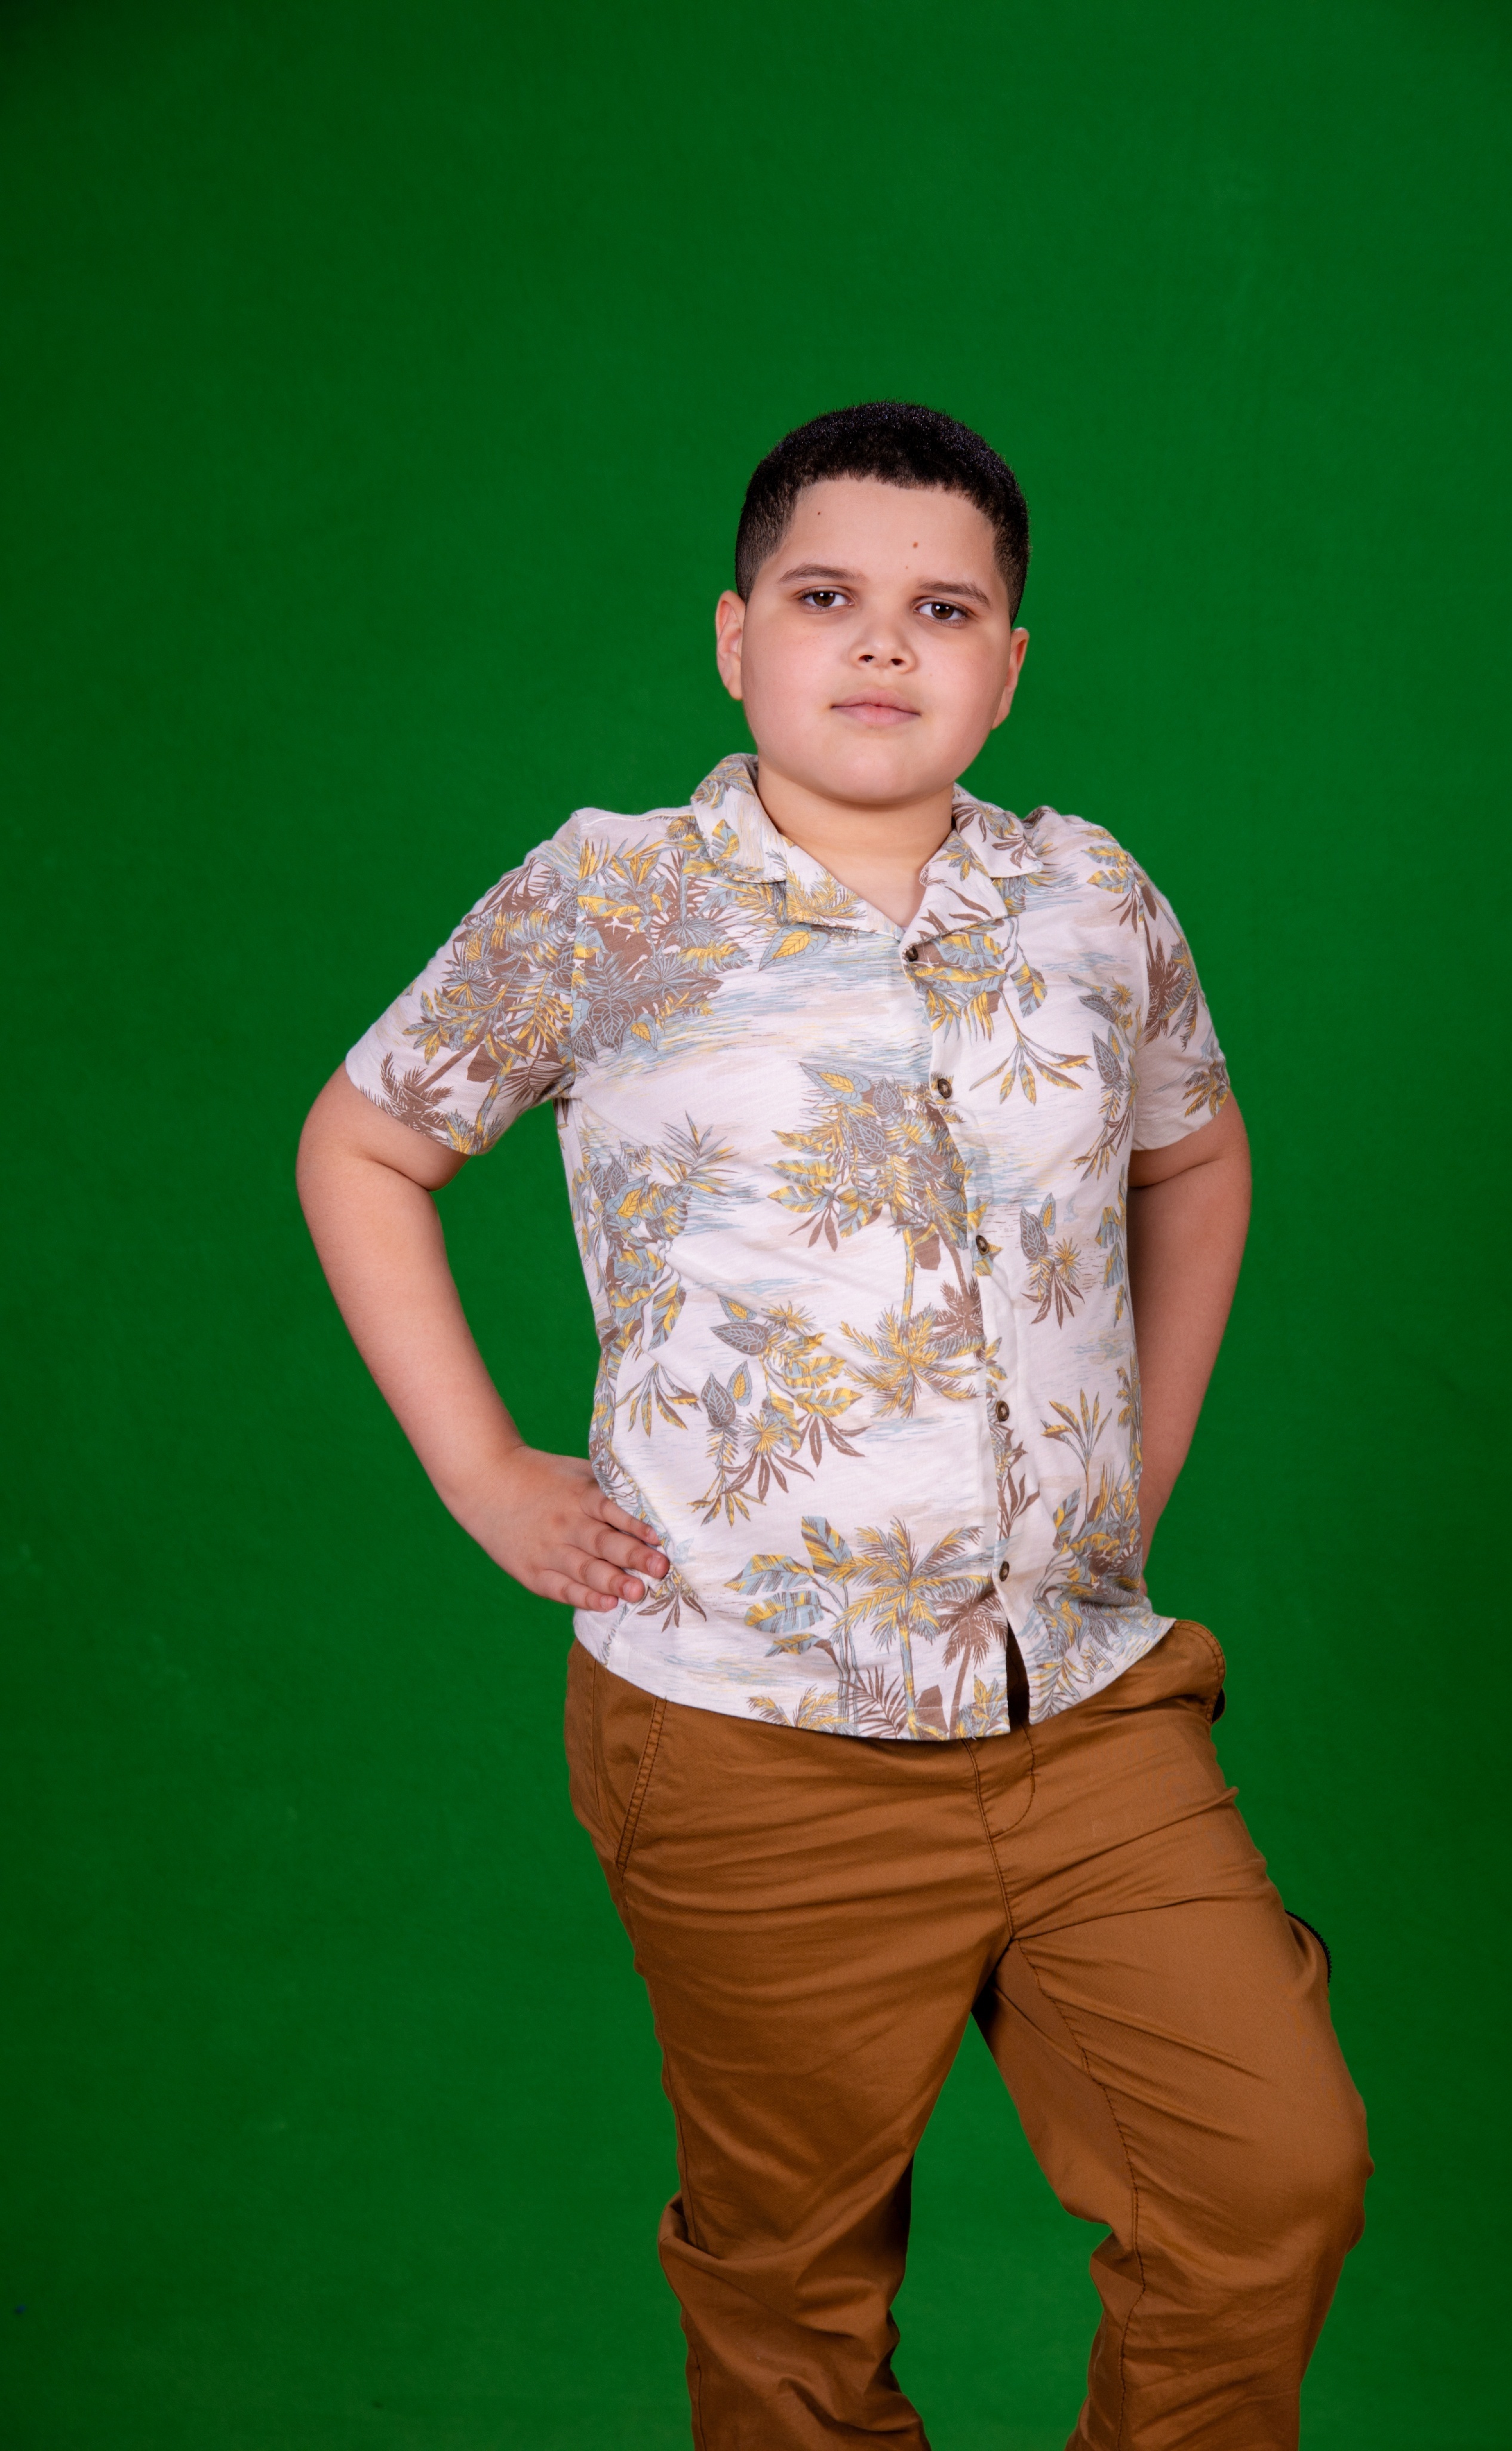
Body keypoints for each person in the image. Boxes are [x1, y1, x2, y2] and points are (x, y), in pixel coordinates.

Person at [297, 401, 1370, 2450]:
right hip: (743, 1735)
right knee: (794, 2288)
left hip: (1086, 1711)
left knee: (1270, 2179)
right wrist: (483, 1470)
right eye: (825, 598)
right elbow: (363, 1145)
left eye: (943, 610)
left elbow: (1199, 1157)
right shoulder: (608, 901)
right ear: (737, 640)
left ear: (1008, 667)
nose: (884, 643)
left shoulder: (1092, 902)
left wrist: (1136, 1459)